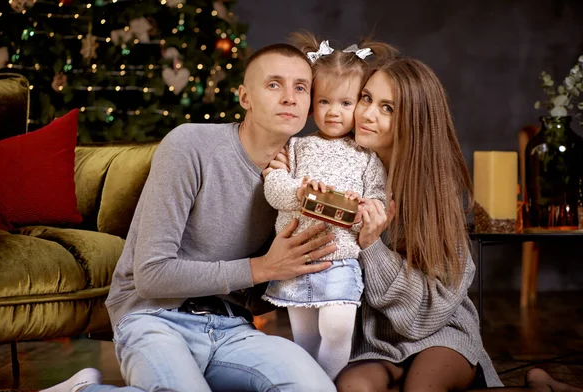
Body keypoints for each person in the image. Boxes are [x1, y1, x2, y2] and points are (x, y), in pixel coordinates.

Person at [41, 43, 339, 392]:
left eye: (300, 87)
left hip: (232, 327)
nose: (289, 97)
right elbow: (151, 275)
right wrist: (263, 268)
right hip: (153, 318)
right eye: (274, 84)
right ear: (245, 97)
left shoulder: (301, 177)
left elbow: (268, 289)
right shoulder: (191, 145)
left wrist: (360, 238)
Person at [334, 56, 583, 391]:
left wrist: (372, 246)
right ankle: (537, 389)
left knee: (420, 389)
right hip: (377, 338)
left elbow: (428, 314)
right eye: (366, 98)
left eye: (387, 108)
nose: (367, 113)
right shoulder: (342, 165)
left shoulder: (434, 194)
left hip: (439, 330)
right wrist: (285, 165)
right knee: (352, 388)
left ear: (415, 121)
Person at [261, 32, 396, 380]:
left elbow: (378, 199)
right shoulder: (296, 147)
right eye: (324, 102)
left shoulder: (367, 158)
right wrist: (300, 191)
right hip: (298, 257)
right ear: (312, 103)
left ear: (359, 105)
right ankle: (308, 385)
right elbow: (273, 190)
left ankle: (324, 387)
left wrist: (361, 205)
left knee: (336, 329)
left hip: (340, 257)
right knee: (304, 338)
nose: (334, 112)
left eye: (346, 104)